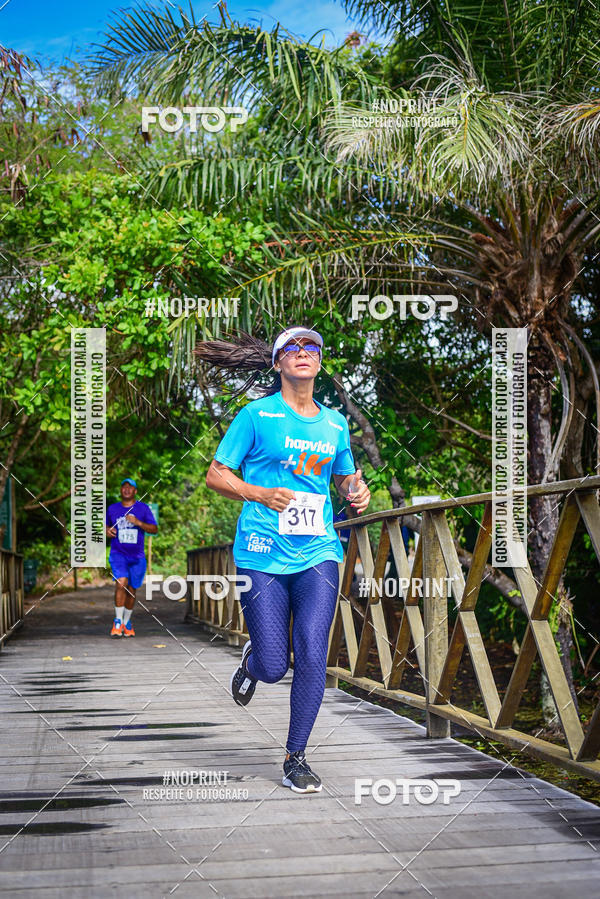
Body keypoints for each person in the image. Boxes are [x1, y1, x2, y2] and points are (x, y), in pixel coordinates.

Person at [203, 327, 371, 793]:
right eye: (292, 348)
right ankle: (254, 662)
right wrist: (259, 493)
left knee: (314, 650)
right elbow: (216, 475)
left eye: (311, 347)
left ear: (319, 362)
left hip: (318, 550)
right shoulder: (256, 416)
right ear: (277, 363)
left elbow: (345, 479)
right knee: (275, 665)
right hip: (261, 552)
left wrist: (356, 491)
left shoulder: (334, 424)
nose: (303, 353)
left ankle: (295, 757)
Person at [105, 478, 158, 637]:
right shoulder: (112, 509)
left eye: (130, 487)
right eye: (124, 487)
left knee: (132, 589)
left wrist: (138, 522)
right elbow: (105, 527)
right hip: (118, 554)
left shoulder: (143, 508)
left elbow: (154, 529)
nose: (127, 489)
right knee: (121, 583)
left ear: (135, 491)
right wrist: (107, 531)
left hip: (137, 556)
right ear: (120, 490)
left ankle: (127, 622)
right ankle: (117, 622)